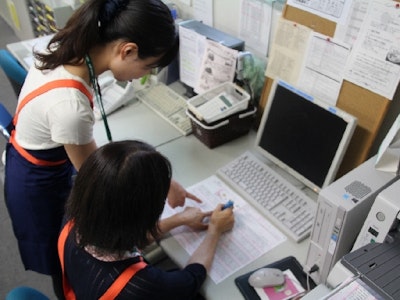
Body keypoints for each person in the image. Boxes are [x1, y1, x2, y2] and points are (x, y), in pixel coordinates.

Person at [4, 0, 200, 298]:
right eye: (147, 67)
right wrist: (160, 186)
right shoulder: (69, 106)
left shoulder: (71, 51)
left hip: (39, 160)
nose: (142, 75)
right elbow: (105, 183)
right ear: (128, 50)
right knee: (66, 263)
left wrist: (166, 183)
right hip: (39, 186)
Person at [58, 140, 235, 299]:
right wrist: (214, 230)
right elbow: (190, 280)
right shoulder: (143, 285)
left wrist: (178, 219)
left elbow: (121, 238)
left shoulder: (72, 219)